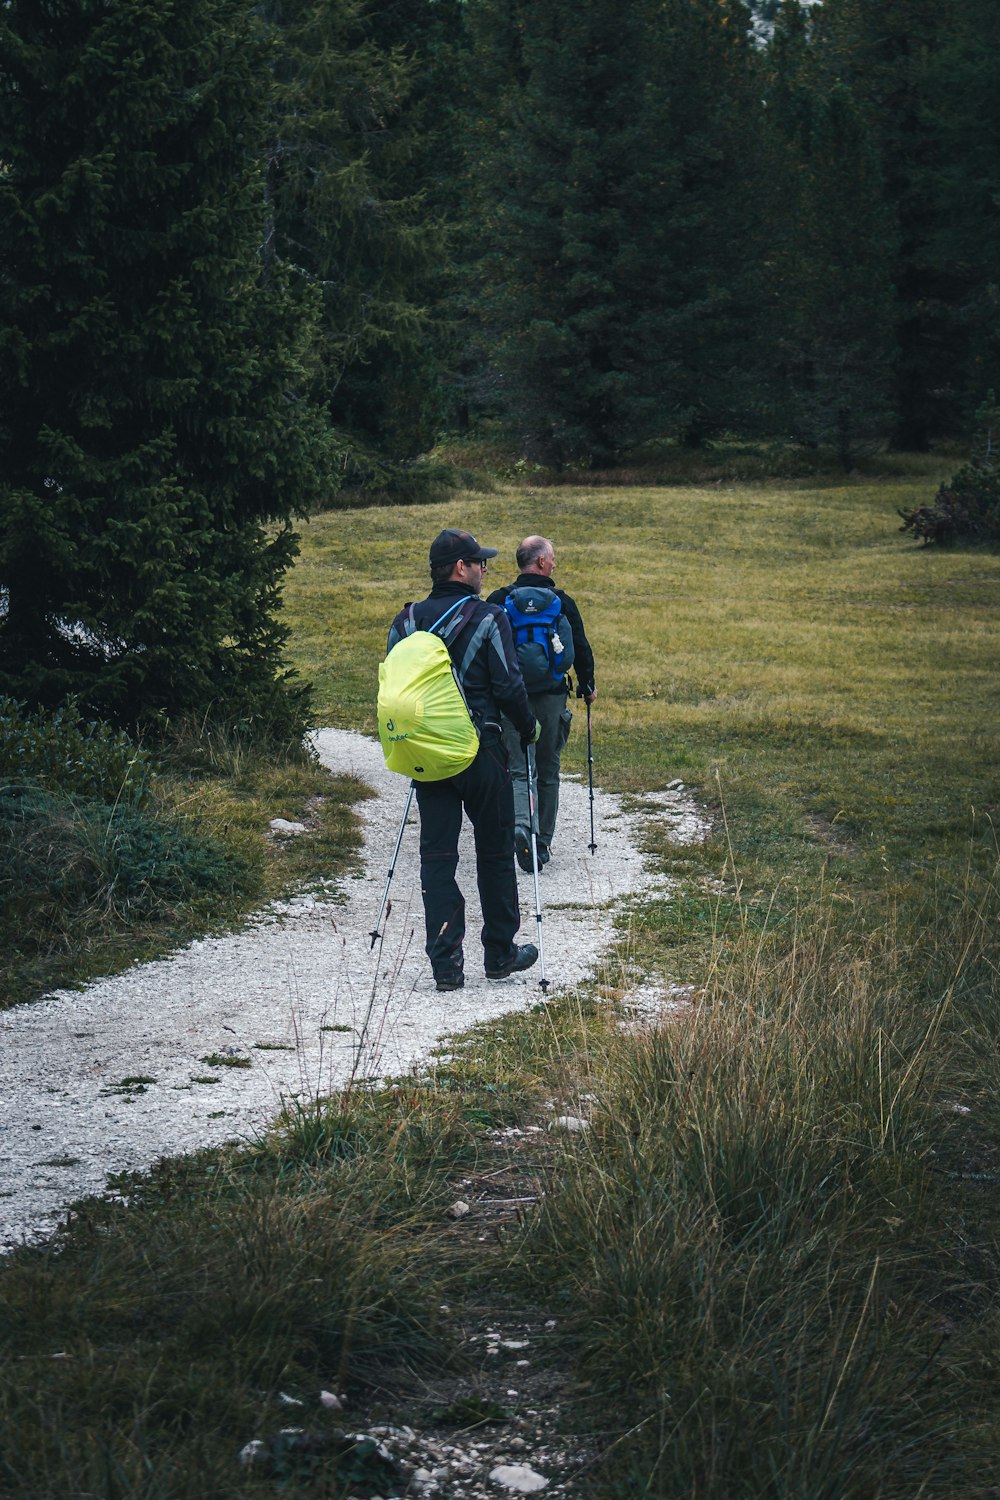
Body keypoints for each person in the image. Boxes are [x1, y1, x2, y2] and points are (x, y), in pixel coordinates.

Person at [386, 527, 541, 991]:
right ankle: (499, 954)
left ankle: (446, 966)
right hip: (481, 752)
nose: (484, 570)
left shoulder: (405, 621)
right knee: (494, 852)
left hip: (427, 755)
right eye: (479, 563)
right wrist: (530, 728)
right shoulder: (490, 617)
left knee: (438, 856)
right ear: (461, 568)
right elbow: (509, 687)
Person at [488, 535, 596, 870]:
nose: (554, 563)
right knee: (548, 770)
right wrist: (587, 685)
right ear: (540, 562)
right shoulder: (561, 601)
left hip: (511, 699)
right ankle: (542, 843)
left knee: (518, 770)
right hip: (551, 698)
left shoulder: (500, 599)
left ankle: (522, 826)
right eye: (552, 558)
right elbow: (580, 645)